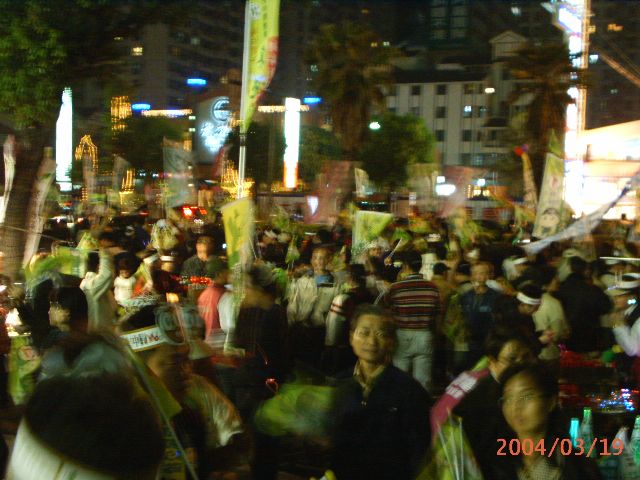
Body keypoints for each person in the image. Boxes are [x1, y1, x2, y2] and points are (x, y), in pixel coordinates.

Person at [330, 305, 431, 480]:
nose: (371, 342)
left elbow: (418, 450)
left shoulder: (409, 391)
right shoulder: (338, 384)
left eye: (381, 334)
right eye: (364, 333)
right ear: (351, 337)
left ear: (391, 342)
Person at [432, 325, 537, 478]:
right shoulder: (488, 400)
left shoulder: (475, 376)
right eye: (512, 359)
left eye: (526, 356)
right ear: (492, 360)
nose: (521, 364)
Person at [489, 364, 602, 479]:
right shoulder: (493, 464)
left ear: (551, 402)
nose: (516, 406)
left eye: (527, 396)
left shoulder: (579, 467)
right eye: (508, 399)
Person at [385, 250, 440, 392]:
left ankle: (399, 403)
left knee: (399, 377)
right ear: (420, 266)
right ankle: (421, 404)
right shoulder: (432, 287)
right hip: (425, 335)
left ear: (406, 266)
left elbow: (388, 312)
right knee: (423, 381)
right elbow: (437, 315)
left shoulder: (396, 288)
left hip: (402, 335)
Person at [324, 263, 375, 374]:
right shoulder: (372, 296)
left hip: (344, 345)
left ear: (350, 277)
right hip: (365, 345)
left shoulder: (342, 298)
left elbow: (333, 326)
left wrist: (330, 345)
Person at [557, 256, 612, 352]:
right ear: (585, 271)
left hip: (568, 336)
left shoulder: (560, 289)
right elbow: (606, 307)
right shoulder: (593, 290)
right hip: (590, 336)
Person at [459, 261, 502, 369]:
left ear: (488, 275)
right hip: (470, 342)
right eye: (476, 273)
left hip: (489, 341)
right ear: (471, 276)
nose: (480, 277)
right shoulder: (466, 296)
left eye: (483, 273)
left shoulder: (496, 297)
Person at [80, 242, 117, 333]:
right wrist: (105, 256)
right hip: (99, 334)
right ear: (99, 266)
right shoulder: (90, 284)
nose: (113, 268)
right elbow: (107, 275)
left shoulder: (91, 283)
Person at [197, 256, 232, 351]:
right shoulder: (224, 295)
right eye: (227, 271)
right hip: (222, 347)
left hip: (207, 346)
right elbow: (230, 327)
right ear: (219, 274)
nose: (229, 274)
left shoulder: (203, 295)